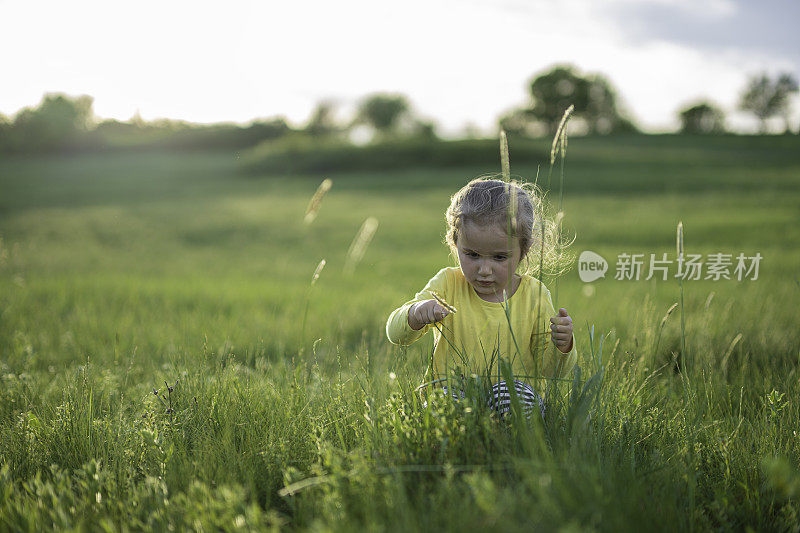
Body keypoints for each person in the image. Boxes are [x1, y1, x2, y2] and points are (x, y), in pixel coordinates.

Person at [386, 177, 577, 419]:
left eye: (499, 257)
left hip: (514, 392)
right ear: (455, 245)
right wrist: (415, 314)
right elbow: (396, 335)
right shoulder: (447, 284)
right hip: (454, 389)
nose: (484, 269)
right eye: (473, 255)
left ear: (524, 251)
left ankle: (510, 449)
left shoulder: (534, 295)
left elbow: (551, 370)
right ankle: (454, 451)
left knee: (513, 399)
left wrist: (563, 345)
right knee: (445, 404)